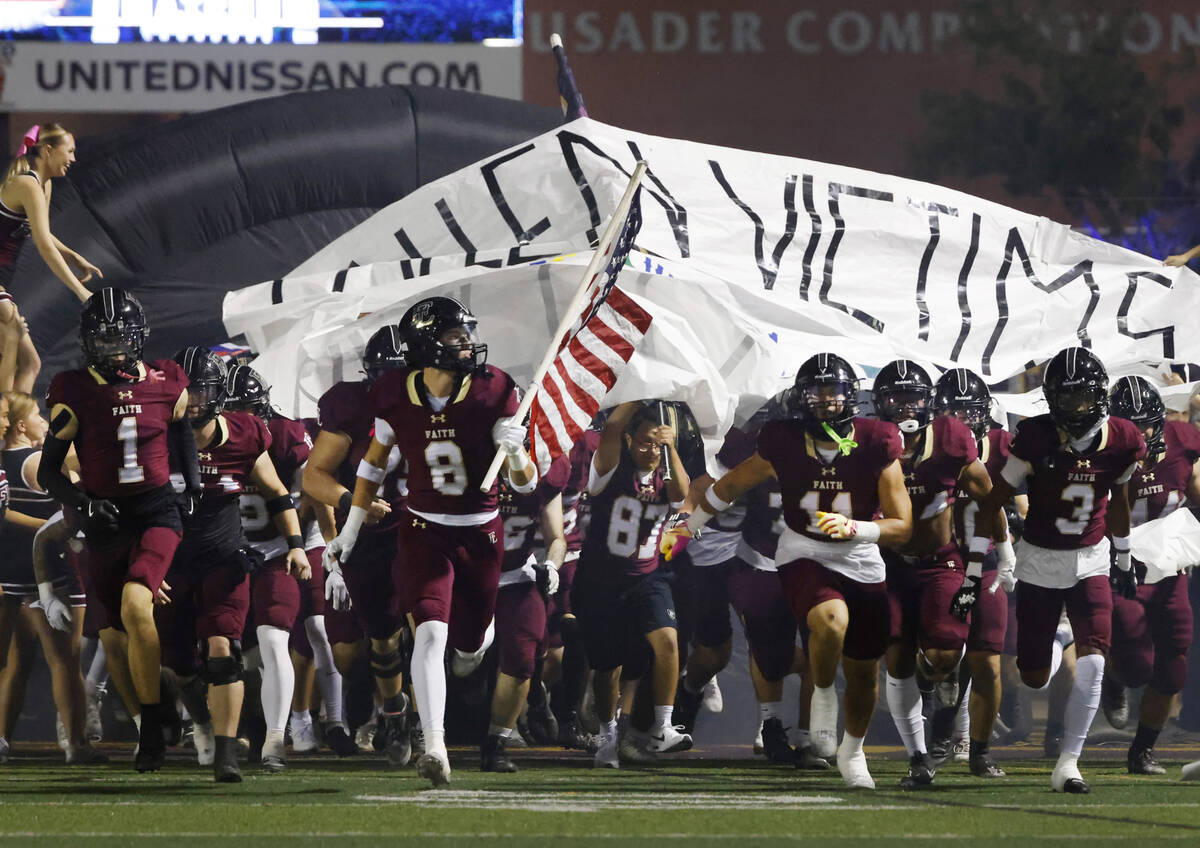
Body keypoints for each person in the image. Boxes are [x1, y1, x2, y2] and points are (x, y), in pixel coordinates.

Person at [666, 353, 911, 789]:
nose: (824, 403)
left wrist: (858, 527)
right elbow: (728, 486)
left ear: (850, 395)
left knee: (862, 671)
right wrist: (688, 527)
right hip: (801, 550)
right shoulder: (780, 438)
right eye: (814, 394)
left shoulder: (877, 440)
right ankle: (812, 705)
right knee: (827, 623)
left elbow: (903, 525)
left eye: (832, 393)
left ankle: (852, 753)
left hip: (859, 557)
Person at [325, 296, 534, 787]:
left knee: (466, 647)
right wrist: (350, 529)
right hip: (423, 530)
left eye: (466, 334)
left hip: (480, 532)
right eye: (454, 336)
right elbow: (373, 464)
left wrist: (517, 449)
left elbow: (525, 485)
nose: (467, 344)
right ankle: (435, 746)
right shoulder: (395, 391)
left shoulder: (495, 389)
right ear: (425, 344)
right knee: (429, 634)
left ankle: (477, 641)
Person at [968, 347, 1144, 793]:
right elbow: (992, 502)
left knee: (1094, 664)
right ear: (1051, 401)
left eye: (1084, 398)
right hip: (1041, 560)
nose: (1077, 409)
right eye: (1066, 401)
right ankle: (1051, 649)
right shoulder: (1034, 437)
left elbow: (1120, 503)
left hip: (1091, 559)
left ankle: (1069, 761)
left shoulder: (1123, 438)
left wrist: (1122, 555)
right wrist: (986, 564)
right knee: (1033, 674)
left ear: (1100, 396)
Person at [39, 287, 193, 773]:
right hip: (106, 518)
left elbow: (182, 428)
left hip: (154, 510)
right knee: (113, 634)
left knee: (134, 605)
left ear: (139, 336)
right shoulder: (73, 389)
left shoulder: (168, 381)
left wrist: (188, 484)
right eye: (101, 340)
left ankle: (149, 727)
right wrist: (84, 501)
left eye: (118, 338)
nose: (110, 348)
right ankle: (158, 702)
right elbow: (48, 473)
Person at [158, 347, 308, 782]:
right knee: (179, 661)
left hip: (223, 558)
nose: (194, 400)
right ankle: (201, 723)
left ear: (220, 393)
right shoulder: (157, 437)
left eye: (202, 390)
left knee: (223, 650)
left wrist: (296, 544)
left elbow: (277, 491)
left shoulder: (246, 433)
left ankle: (226, 753)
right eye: (188, 391)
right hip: (172, 560)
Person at [870, 360, 998, 787]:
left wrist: (1003, 552)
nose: (905, 407)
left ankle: (937, 684)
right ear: (879, 404)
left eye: (914, 399)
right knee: (897, 660)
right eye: (895, 399)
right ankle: (918, 757)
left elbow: (986, 494)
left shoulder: (950, 437)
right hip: (886, 562)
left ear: (929, 403)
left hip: (942, 560)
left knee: (944, 653)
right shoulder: (867, 440)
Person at [225, 364, 355, 767]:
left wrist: (332, 553)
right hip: (236, 546)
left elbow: (314, 497)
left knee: (310, 628)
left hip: (294, 541)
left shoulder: (286, 436)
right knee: (231, 645)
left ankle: (324, 722)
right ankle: (226, 730)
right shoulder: (211, 435)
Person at [301, 324, 411, 764]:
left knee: (430, 628)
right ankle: (392, 713)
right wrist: (355, 501)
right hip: (365, 535)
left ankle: (420, 726)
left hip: (425, 528)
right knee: (375, 643)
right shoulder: (350, 406)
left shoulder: (443, 402)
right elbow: (313, 477)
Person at [574, 401, 691, 768]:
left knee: (668, 641)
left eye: (657, 445)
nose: (651, 451)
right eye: (644, 443)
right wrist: (641, 393)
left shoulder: (666, 467)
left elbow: (680, 497)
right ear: (628, 440)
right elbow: (609, 430)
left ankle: (662, 726)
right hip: (600, 581)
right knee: (607, 670)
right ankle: (607, 735)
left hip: (646, 576)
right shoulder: (610, 467)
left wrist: (670, 446)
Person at [1103, 376, 1199, 775]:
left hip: (1170, 567)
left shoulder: (1182, 440)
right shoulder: (1104, 451)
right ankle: (1112, 674)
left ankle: (1142, 751)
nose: (1140, 433)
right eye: (1130, 423)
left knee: (1174, 665)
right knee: (1137, 668)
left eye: (1145, 423)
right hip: (1124, 570)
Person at [1, 391, 99, 764]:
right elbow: (71, 498)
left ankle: (3, 740)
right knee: (65, 661)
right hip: (49, 572)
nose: (44, 421)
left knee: (16, 663)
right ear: (22, 426)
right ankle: (76, 744)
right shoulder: (35, 459)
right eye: (38, 416)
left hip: (9, 569)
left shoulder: (2, 460)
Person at [932, 367, 1015, 778]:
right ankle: (942, 727)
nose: (965, 419)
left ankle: (979, 749)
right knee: (939, 657)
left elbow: (1027, 497)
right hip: (941, 564)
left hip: (987, 568)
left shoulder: (1003, 446)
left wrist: (1018, 529)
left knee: (988, 662)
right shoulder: (930, 445)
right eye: (955, 411)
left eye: (971, 410)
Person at [1, 124, 103, 393]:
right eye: (69, 151)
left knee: (30, 364)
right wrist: (81, 292)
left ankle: (12, 429)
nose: (73, 158)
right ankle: (7, 428)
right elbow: (44, 247)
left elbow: (42, 234)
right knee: (17, 358)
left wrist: (75, 257)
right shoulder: (27, 183)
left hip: (3, 280)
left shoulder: (43, 186)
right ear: (47, 150)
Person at [485, 452, 569, 772]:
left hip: (516, 572)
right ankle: (414, 723)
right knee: (458, 651)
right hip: (467, 574)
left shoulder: (547, 467)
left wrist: (552, 564)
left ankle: (496, 742)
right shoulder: (473, 456)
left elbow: (556, 537)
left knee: (526, 651)